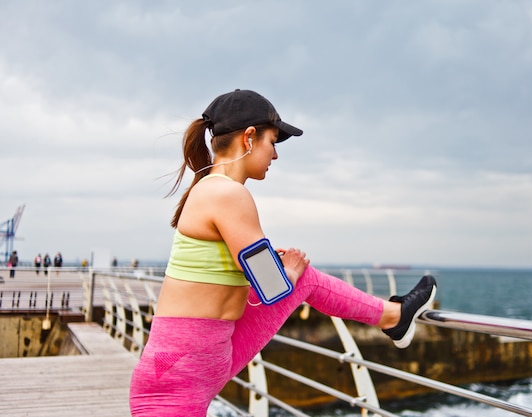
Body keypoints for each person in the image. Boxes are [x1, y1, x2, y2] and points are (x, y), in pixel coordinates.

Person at [129, 89, 437, 416]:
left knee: (302, 277)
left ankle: (393, 317)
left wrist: (278, 270)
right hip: (180, 369)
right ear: (249, 138)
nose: (274, 155)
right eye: (273, 142)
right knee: (299, 276)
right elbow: (273, 287)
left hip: (199, 357)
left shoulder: (212, 188)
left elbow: (229, 279)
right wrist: (286, 272)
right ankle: (393, 317)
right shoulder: (227, 194)